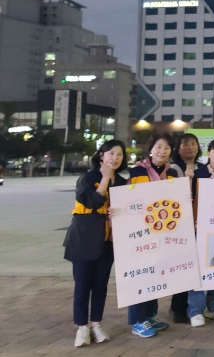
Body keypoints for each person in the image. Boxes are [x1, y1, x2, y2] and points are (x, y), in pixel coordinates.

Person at [68, 140, 127, 347]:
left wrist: (118, 212)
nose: (115, 158)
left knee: (101, 285)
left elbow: (128, 208)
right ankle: (82, 327)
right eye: (111, 153)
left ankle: (96, 324)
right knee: (83, 284)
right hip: (84, 239)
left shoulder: (122, 182)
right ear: (101, 155)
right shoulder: (88, 178)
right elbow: (91, 202)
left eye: (119, 154)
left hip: (108, 240)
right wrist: (105, 178)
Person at [125, 133, 179, 338]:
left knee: (154, 274)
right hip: (139, 232)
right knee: (140, 275)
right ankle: (138, 321)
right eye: (158, 147)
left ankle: (150, 315)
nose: (162, 151)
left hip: (161, 231)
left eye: (166, 148)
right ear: (151, 149)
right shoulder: (137, 171)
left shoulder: (171, 173)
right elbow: (128, 199)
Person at [187, 139, 214, 327]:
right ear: (208, 153)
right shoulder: (197, 174)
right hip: (198, 229)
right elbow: (186, 199)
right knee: (197, 269)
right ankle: (196, 311)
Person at [168, 133, 206, 322]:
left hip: (199, 223)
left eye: (193, 143)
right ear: (178, 148)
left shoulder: (203, 169)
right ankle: (178, 307)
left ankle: (193, 306)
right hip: (180, 224)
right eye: (185, 144)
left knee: (195, 266)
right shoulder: (173, 169)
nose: (190, 147)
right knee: (181, 266)